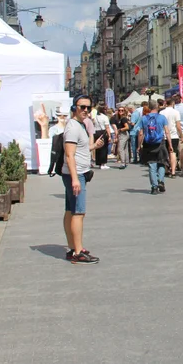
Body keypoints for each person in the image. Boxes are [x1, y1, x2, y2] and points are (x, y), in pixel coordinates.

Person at [62, 96, 102, 263]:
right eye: (82, 107)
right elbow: (69, 154)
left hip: (76, 173)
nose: (85, 110)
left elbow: (80, 149)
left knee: (71, 211)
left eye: (88, 107)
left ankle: (73, 247)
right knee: (78, 212)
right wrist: (75, 179)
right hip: (75, 174)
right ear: (74, 108)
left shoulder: (79, 125)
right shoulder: (72, 127)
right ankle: (78, 251)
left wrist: (94, 146)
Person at [139, 100, 171, 195]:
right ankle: (160, 181)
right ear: (157, 107)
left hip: (148, 144)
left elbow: (141, 133)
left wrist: (138, 145)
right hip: (160, 143)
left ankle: (154, 187)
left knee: (152, 165)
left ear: (149, 107)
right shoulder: (162, 118)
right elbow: (167, 132)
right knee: (161, 162)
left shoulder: (144, 118)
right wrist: (170, 144)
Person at [160, 97, 183, 178]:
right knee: (173, 153)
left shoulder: (161, 112)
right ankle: (173, 171)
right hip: (173, 135)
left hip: (163, 135)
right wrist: (181, 135)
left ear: (166, 103)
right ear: (173, 103)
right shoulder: (176, 112)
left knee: (164, 153)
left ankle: (166, 169)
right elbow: (178, 126)